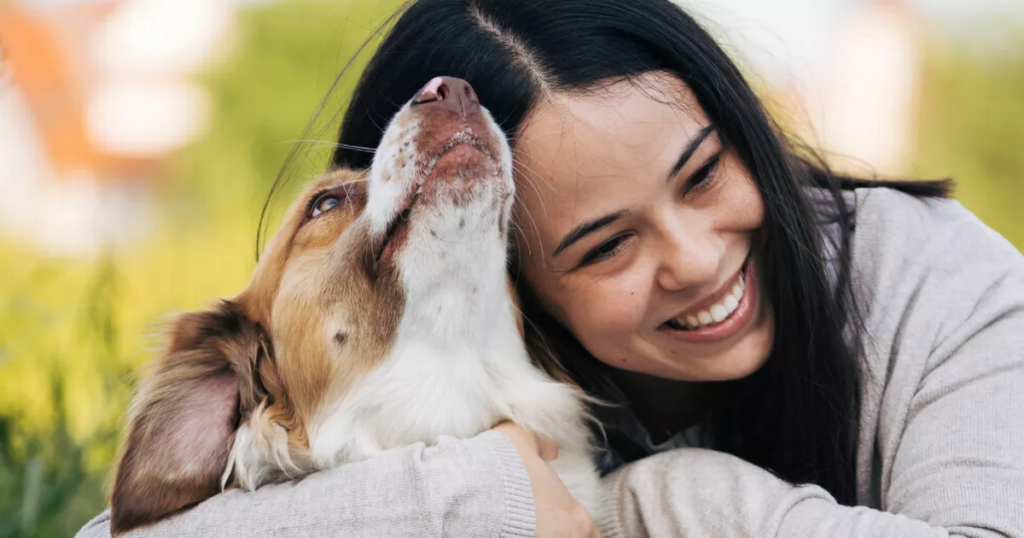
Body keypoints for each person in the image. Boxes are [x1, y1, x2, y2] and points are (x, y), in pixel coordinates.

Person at [77, 0, 1024, 536]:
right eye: (606, 246)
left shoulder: (937, 280)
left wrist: (666, 500)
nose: (698, 260)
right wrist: (480, 496)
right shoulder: (474, 347)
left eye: (702, 174)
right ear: (518, 283)